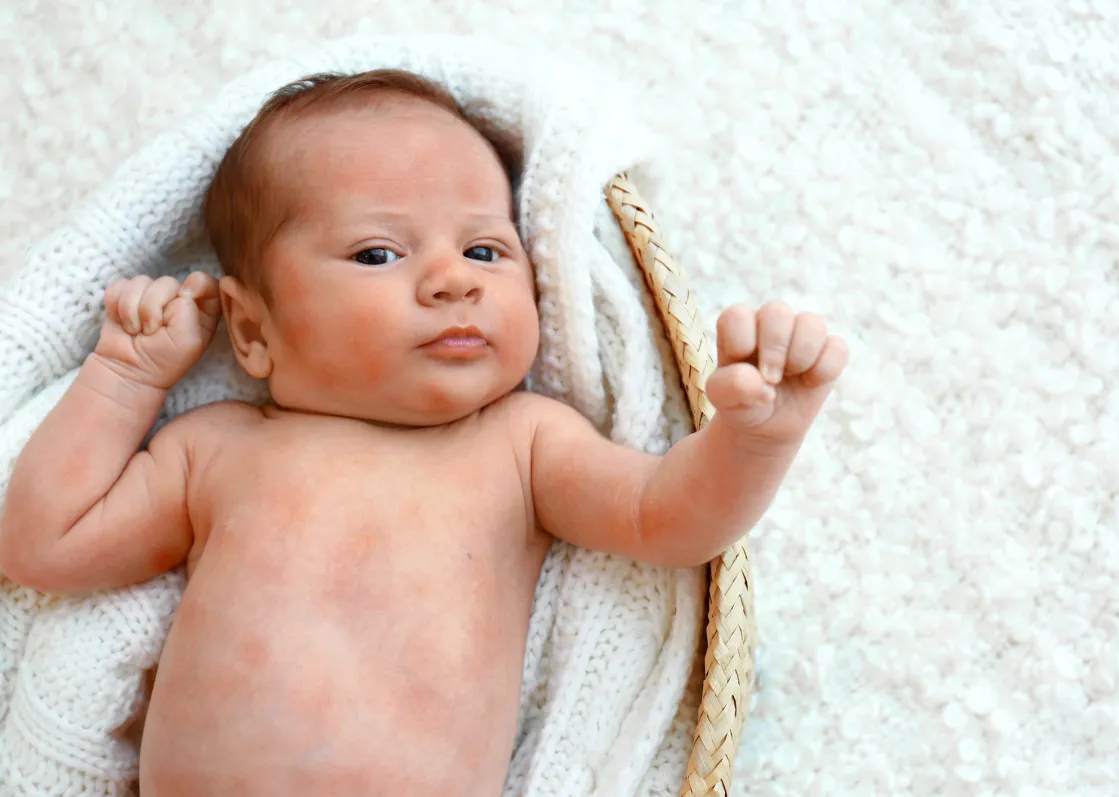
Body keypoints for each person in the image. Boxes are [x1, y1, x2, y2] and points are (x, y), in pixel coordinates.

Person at [0, 69, 848, 797]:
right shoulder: (218, 449)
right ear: (252, 334)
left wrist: (755, 438)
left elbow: (668, 518)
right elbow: (43, 542)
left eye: (486, 251)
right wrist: (125, 376)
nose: (452, 280)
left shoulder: (520, 446)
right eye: (377, 254)